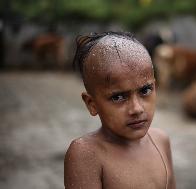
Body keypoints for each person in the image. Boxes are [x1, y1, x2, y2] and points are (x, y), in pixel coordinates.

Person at [64, 31, 176, 189]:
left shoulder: (161, 141)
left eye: (145, 91)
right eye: (118, 97)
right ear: (92, 104)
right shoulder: (87, 154)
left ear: (155, 87)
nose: (136, 109)